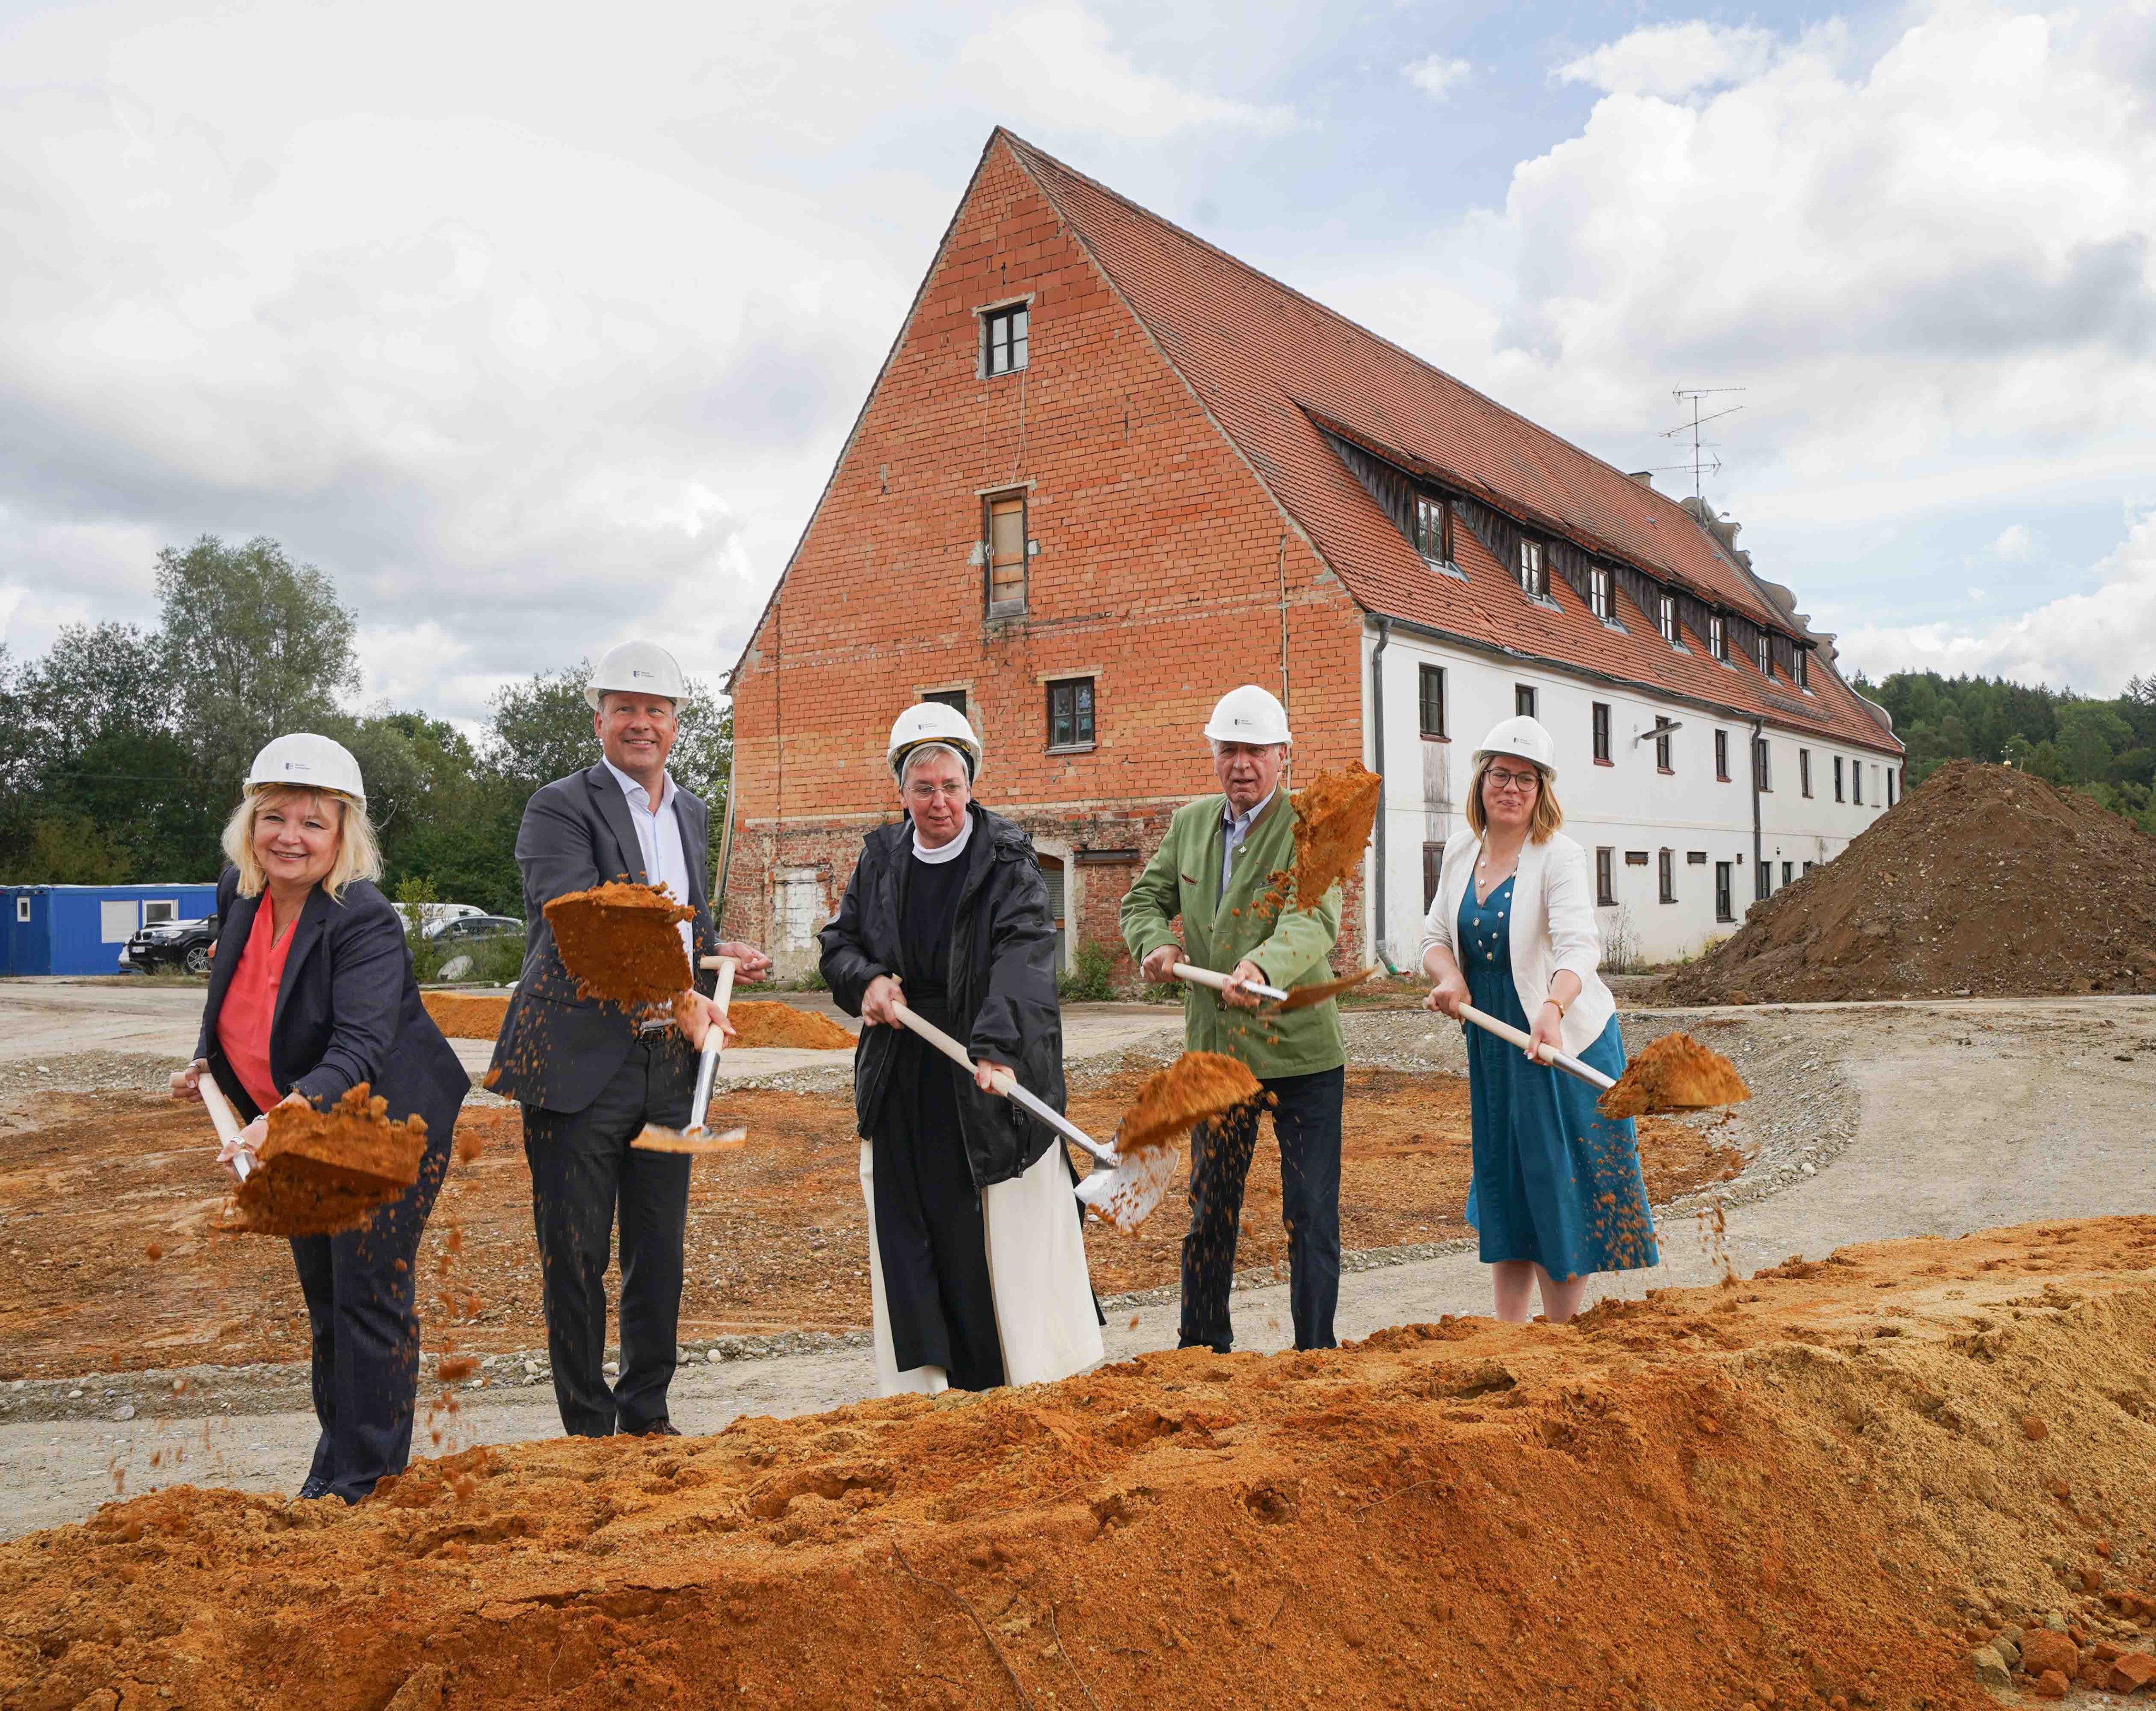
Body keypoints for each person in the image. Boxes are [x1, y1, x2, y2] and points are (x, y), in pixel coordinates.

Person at [170, 733, 467, 1503]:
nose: (290, 837)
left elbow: (361, 1042)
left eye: (313, 822)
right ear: (251, 821)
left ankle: (369, 1482)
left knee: (368, 1295)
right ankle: (333, 1465)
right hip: (298, 1119)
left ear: (343, 836)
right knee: (327, 1299)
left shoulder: (362, 918)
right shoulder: (239, 889)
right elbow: (237, 987)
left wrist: (289, 1114)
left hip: (380, 1123)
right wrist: (210, 1061)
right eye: (275, 817)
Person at [487, 641, 771, 1437]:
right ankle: (588, 1426)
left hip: (666, 1067)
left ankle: (648, 1416)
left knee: (658, 1252)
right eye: (625, 709)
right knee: (576, 1255)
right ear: (600, 718)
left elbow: (682, 920)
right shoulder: (558, 807)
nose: (640, 723)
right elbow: (583, 922)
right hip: (576, 1059)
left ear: (677, 723)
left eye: (655, 710)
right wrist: (679, 992)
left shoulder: (688, 809)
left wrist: (717, 953)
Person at [819, 701, 1102, 1395]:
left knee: (997, 1228)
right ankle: (924, 1386)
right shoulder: (880, 859)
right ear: (901, 792)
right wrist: (868, 983)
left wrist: (999, 1046)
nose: (938, 801)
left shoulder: (1007, 858)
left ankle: (1016, 1378)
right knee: (914, 1225)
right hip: (905, 1065)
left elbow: (1024, 959)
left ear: (971, 784)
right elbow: (839, 945)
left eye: (950, 784)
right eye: (924, 788)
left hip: (986, 1064)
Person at [1119, 684, 1347, 1354]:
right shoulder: (1190, 825)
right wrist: (1153, 943)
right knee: (1210, 1208)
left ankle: (1314, 1355)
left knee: (1310, 1214)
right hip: (1217, 1055)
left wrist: (1264, 968)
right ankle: (1202, 1350)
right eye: (1228, 750)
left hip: (1301, 1055)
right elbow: (1144, 897)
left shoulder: (1312, 826)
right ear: (1214, 755)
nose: (1240, 763)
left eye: (1254, 750)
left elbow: (1312, 916)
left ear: (1283, 755)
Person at [1420, 715, 1659, 1324]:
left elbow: (1580, 947)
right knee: (1507, 1178)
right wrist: (1448, 977)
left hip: (1559, 1040)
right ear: (1481, 780)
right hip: (1496, 1039)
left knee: (1558, 1182)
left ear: (1542, 790)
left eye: (1525, 779)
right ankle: (1510, 1333)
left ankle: (1559, 1338)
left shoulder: (1559, 856)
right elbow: (1434, 936)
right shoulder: (1458, 850)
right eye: (1500, 773)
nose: (1511, 787)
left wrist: (1553, 1008)